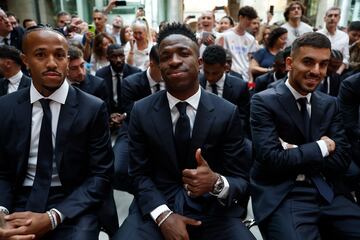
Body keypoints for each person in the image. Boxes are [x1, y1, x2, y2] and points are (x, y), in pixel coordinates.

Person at [114, 22, 254, 240]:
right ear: (159, 66)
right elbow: (138, 174)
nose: (175, 61)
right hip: (155, 207)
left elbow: (240, 179)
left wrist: (215, 182)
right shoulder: (141, 111)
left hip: (213, 212)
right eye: (166, 56)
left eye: (183, 53)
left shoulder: (227, 112)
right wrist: (163, 216)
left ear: (199, 63)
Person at [0, 26, 114, 239]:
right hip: (19, 196)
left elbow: (100, 175)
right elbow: (3, 171)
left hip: (73, 201)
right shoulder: (6, 107)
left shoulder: (92, 108)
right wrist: (1, 212)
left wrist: (53, 217)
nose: (52, 63)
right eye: (40, 55)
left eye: (60, 55)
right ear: (25, 60)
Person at [250, 32, 360, 239]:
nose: (316, 71)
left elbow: (343, 158)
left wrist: (294, 153)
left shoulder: (330, 104)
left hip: (328, 190)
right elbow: (271, 159)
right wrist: (321, 148)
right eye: (308, 62)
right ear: (290, 63)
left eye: (323, 64)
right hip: (284, 194)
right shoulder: (263, 102)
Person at [113, 45, 164, 192]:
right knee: (118, 170)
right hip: (132, 132)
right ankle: (142, 192)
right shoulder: (131, 83)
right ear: (151, 63)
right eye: (162, 68)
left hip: (165, 132)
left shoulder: (173, 82)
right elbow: (133, 114)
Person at [200, 45, 250, 139]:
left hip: (231, 135)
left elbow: (243, 119)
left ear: (225, 68)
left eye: (215, 73)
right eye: (206, 72)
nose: (210, 77)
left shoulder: (240, 86)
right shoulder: (196, 84)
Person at [217, 6, 258, 81]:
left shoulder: (251, 39)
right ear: (241, 17)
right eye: (248, 19)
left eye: (251, 20)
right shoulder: (225, 35)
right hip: (230, 76)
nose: (250, 22)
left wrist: (251, 78)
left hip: (245, 77)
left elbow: (250, 60)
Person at [318, 7, 349, 75]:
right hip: (318, 71)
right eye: (330, 15)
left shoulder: (344, 36)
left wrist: (338, 73)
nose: (332, 18)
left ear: (339, 18)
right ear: (325, 18)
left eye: (335, 15)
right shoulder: (317, 34)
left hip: (335, 73)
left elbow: (346, 58)